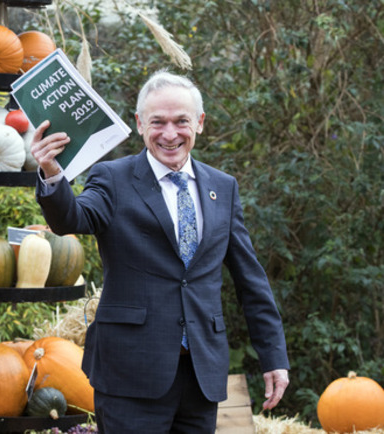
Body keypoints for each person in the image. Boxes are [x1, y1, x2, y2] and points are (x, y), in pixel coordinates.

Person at [30, 69, 290, 433]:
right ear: (139, 123)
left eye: (181, 121)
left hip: (201, 375)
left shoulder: (223, 187)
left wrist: (274, 358)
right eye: (158, 122)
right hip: (130, 375)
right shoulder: (112, 179)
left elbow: (251, 281)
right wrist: (51, 172)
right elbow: (72, 218)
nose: (170, 134)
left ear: (199, 123)